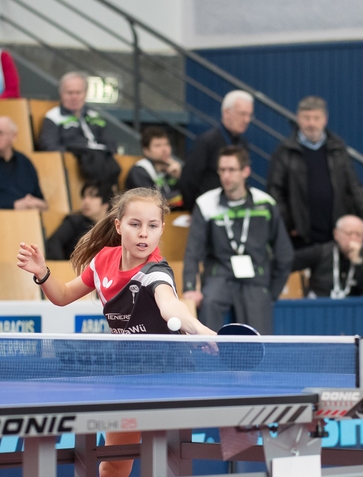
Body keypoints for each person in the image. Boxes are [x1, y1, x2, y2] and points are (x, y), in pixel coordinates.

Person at [16, 187, 215, 477]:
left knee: (167, 464)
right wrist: (43, 273)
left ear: (161, 229)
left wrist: (198, 329)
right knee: (114, 464)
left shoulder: (156, 272)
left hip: (169, 377)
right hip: (127, 374)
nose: (144, 233)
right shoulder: (102, 261)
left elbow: (171, 307)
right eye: (135, 224)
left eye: (153, 226)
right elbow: (62, 296)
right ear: (119, 226)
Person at [183, 146, 293, 334]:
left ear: (245, 171)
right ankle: (209, 359)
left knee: (260, 339)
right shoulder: (206, 203)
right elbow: (193, 250)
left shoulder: (265, 204)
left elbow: (285, 253)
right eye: (222, 170)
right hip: (220, 276)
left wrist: (272, 291)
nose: (226, 176)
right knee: (209, 303)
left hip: (255, 279)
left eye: (231, 170)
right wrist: (190, 287)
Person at [266, 95, 363, 249]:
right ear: (298, 119)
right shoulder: (284, 152)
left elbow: (354, 187)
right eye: (306, 118)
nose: (311, 123)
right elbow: (275, 192)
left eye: (316, 118)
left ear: (325, 119)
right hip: (299, 240)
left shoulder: (338, 150)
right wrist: (289, 224)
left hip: (334, 238)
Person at [38, 71, 120, 190]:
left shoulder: (94, 116)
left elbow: (110, 143)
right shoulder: (53, 117)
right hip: (76, 164)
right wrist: (73, 157)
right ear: (61, 94)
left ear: (85, 94)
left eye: (78, 92)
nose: (74, 97)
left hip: (100, 160)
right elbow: (49, 145)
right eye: (69, 93)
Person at [179, 90, 254, 212]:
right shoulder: (206, 141)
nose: (246, 120)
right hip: (209, 212)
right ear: (226, 112)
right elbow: (188, 180)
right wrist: (195, 211)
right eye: (242, 114)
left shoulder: (242, 144)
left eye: (249, 115)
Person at [292, 214, 363, 298]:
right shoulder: (321, 252)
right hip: (320, 306)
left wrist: (357, 262)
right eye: (349, 233)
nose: (353, 238)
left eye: (358, 234)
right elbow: (289, 262)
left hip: (352, 309)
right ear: (336, 234)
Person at [0, 116, 47, 211]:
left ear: (13, 136)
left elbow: (38, 196)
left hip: (29, 216)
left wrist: (39, 203)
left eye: (0, 133)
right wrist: (13, 205)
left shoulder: (25, 162)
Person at [46, 182, 112, 260]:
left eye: (92, 197)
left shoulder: (112, 227)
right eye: (84, 197)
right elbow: (54, 242)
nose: (86, 201)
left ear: (106, 203)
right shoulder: (74, 221)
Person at [125, 127, 184, 208]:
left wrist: (180, 176)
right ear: (146, 151)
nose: (164, 149)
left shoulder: (171, 171)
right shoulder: (139, 171)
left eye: (167, 144)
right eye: (158, 145)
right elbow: (151, 201)